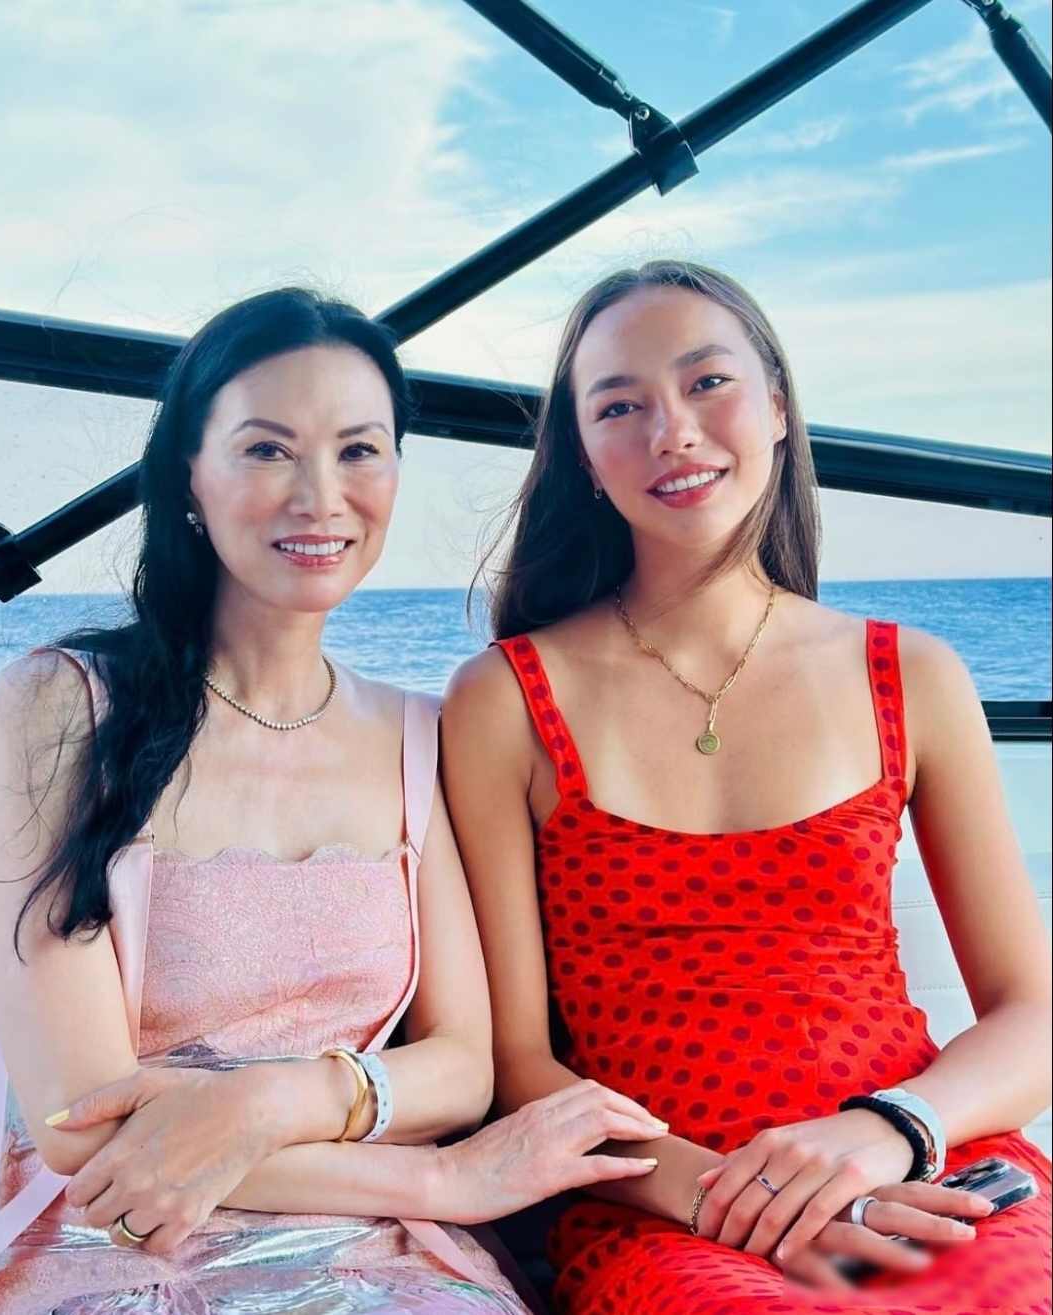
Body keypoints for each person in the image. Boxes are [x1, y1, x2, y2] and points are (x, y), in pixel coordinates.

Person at [0, 287, 666, 1315]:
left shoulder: (418, 732)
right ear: (189, 475)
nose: (321, 497)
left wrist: (267, 1101)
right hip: (114, 1233)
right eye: (267, 450)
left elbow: (462, 1068)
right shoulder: (62, 704)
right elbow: (84, 1124)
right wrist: (440, 1181)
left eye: (358, 451)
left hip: (376, 1246)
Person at [441, 260, 1053, 1313]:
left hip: (919, 1159)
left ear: (776, 406)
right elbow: (519, 1065)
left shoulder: (911, 674)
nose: (672, 431)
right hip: (666, 1204)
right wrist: (740, 1196)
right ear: (582, 454)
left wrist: (888, 1131)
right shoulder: (505, 698)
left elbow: (1031, 1014)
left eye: (707, 383)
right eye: (620, 406)